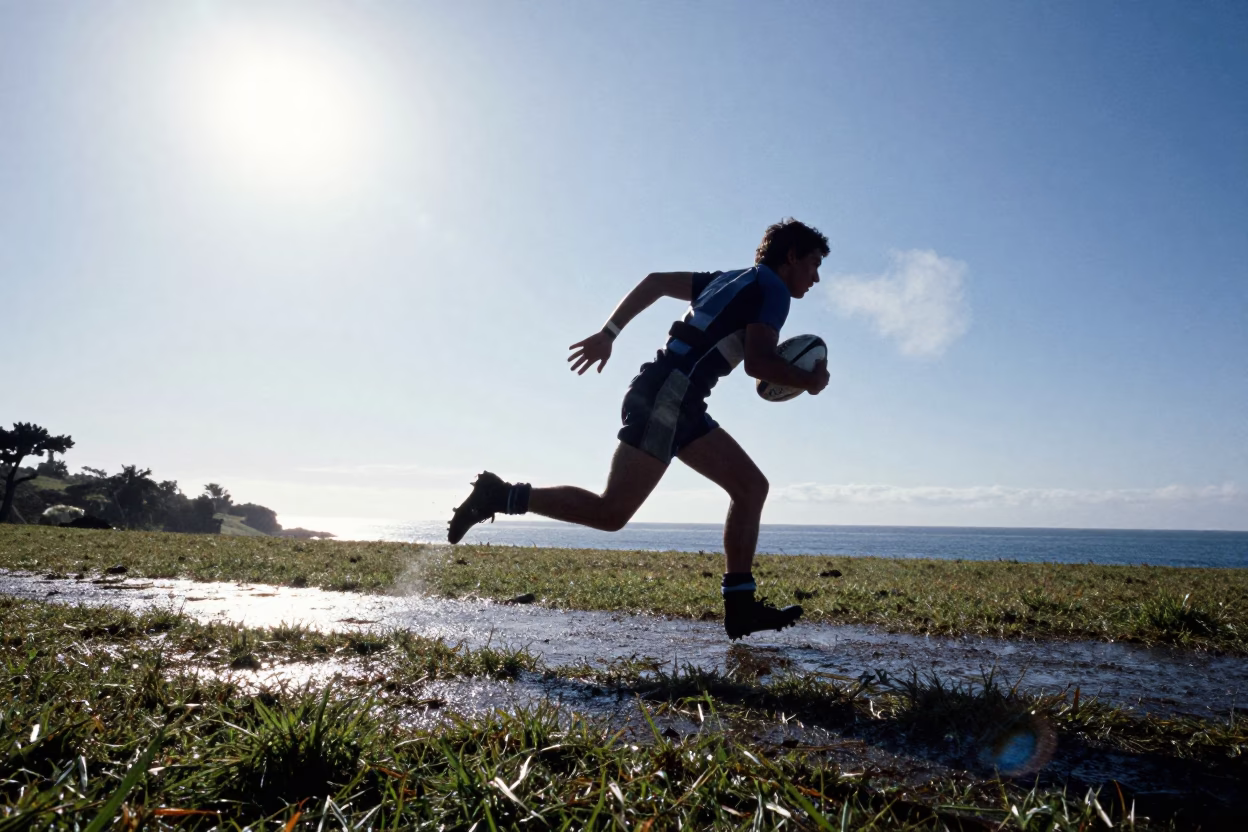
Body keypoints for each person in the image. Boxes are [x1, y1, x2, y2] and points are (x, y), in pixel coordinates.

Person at [448, 218, 831, 640]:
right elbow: (758, 365)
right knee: (611, 512)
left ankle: (740, 606)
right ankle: (498, 495)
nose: (815, 277)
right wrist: (810, 381)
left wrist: (609, 332)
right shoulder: (774, 289)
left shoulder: (729, 280)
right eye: (813, 264)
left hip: (675, 396)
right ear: (791, 256)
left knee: (750, 488)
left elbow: (654, 282)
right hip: (670, 396)